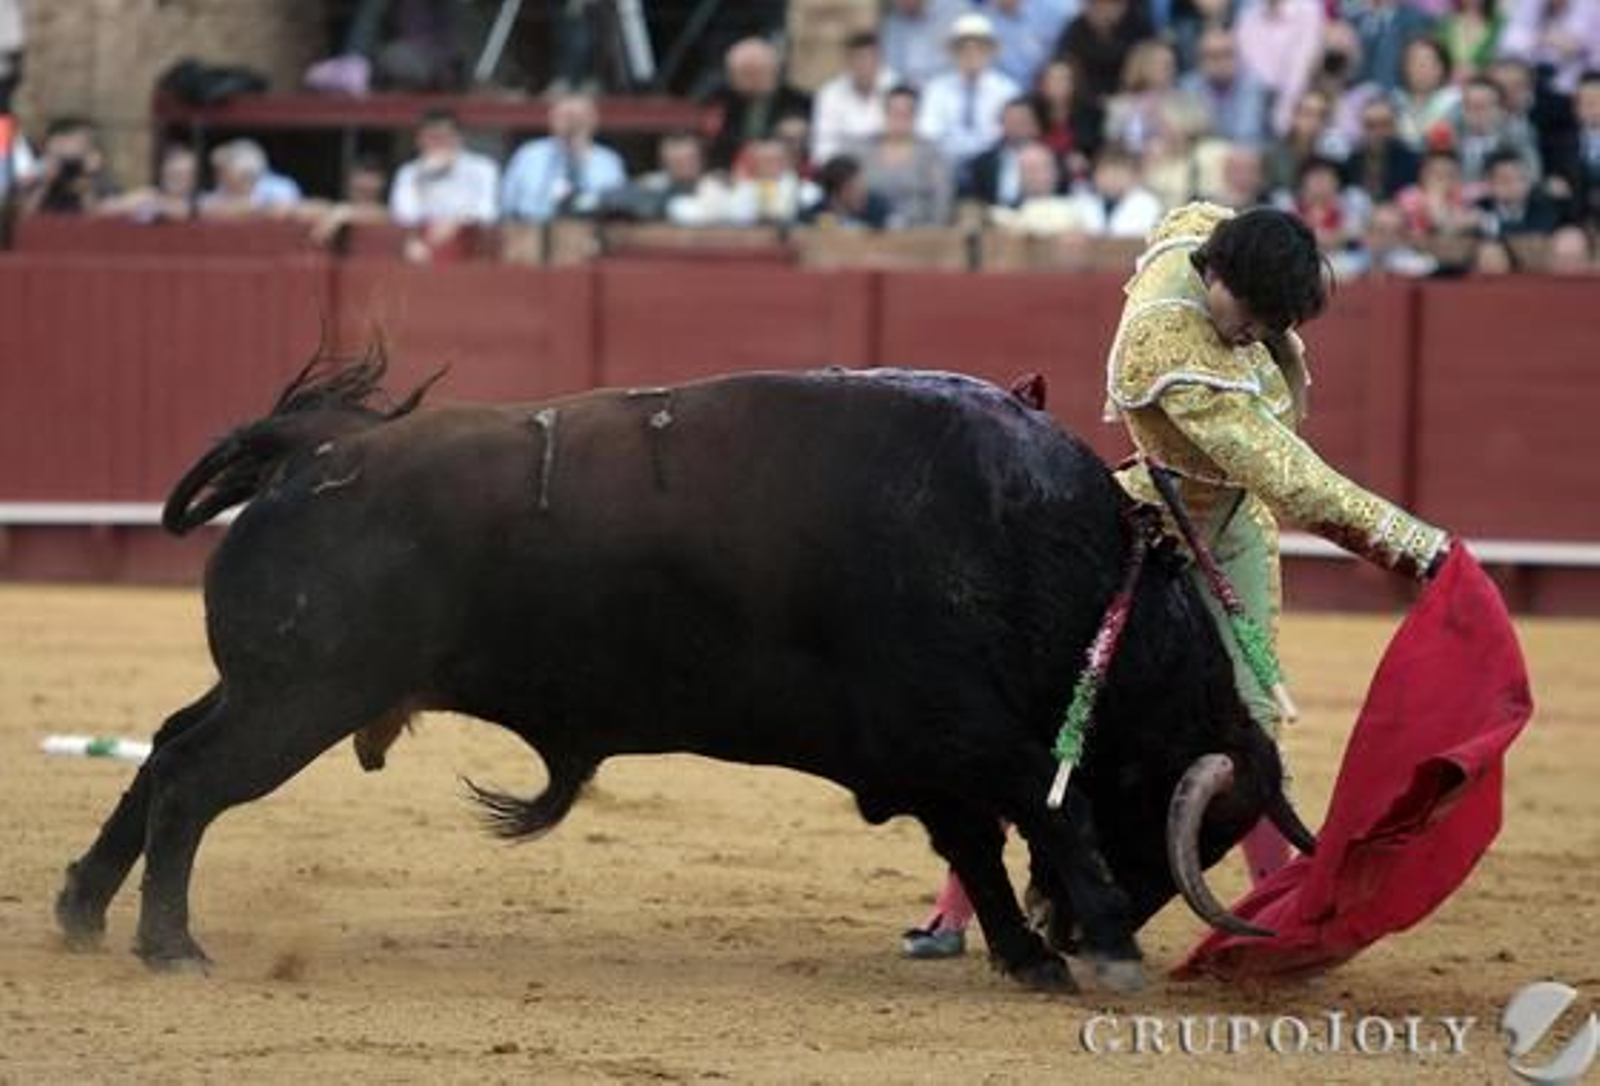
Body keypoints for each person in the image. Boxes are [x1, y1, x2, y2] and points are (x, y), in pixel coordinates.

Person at [906, 201, 1453, 960]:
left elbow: (1199, 217)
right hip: (1150, 531)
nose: (1253, 333)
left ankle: (1281, 916)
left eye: (1272, 321)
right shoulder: (1169, 344)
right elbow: (1292, 479)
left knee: (1250, 727)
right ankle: (956, 915)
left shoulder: (1206, 239)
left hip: (1234, 533)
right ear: (1217, 276)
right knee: (1058, 717)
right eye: (1250, 313)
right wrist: (1418, 547)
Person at [916, 13, 1023, 169]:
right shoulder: (937, 88)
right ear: (953, 53)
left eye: (980, 48)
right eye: (964, 49)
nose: (972, 54)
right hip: (946, 164)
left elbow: (1010, 134)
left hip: (992, 165)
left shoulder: (1007, 89)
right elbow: (928, 131)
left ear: (991, 51)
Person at [501, 93, 626, 222]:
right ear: (552, 119)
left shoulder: (608, 162)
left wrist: (578, 154)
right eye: (565, 116)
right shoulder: (529, 155)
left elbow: (617, 209)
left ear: (593, 121)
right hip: (531, 232)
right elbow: (506, 205)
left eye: (579, 117)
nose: (572, 124)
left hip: (591, 234)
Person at [702, 37, 812, 170]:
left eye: (736, 74)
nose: (731, 81)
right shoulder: (729, 100)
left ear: (754, 74)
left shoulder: (798, 102)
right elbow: (720, 145)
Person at [858, 84, 955, 226]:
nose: (899, 119)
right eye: (894, 112)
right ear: (885, 113)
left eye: (906, 113)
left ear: (916, 116)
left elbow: (942, 199)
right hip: (869, 234)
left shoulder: (931, 153)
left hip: (920, 234)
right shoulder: (864, 150)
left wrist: (933, 234)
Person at [389, 109, 499, 227]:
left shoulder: (483, 167)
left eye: (446, 136)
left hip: (470, 240)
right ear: (418, 140)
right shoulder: (409, 172)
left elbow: (487, 213)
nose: (440, 143)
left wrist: (453, 222)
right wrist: (423, 177)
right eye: (433, 137)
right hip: (423, 240)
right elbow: (402, 216)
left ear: (459, 138)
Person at [810, 30, 898, 165]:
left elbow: (903, 143)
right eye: (859, 60)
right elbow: (823, 148)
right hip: (843, 172)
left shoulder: (896, 88)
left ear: (880, 60)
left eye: (870, 59)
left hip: (887, 170)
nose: (864, 66)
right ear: (848, 62)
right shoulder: (830, 93)